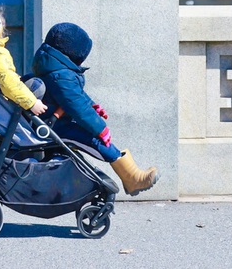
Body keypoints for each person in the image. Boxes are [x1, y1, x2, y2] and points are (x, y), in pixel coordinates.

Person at [31, 22, 159, 196]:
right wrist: (100, 129)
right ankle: (132, 179)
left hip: (56, 120)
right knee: (98, 141)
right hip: (56, 127)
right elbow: (76, 106)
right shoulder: (60, 75)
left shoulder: (55, 68)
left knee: (95, 139)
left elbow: (76, 97)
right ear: (72, 53)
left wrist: (92, 105)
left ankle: (130, 176)